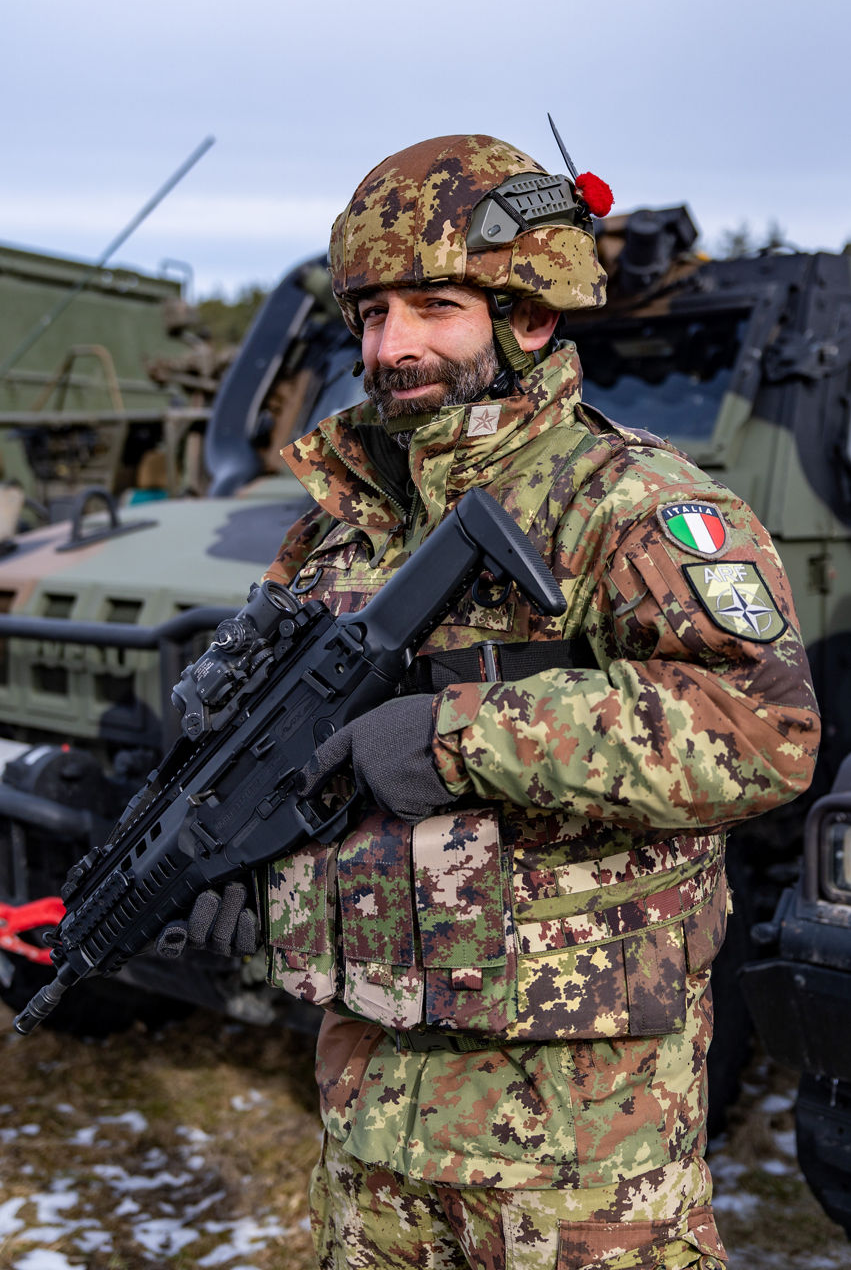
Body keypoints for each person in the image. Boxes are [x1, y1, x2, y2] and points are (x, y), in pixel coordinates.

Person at [258, 135, 821, 1267]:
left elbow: (761, 731)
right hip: (370, 1126)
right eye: (369, 312)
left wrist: (461, 734)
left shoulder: (637, 504)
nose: (391, 344)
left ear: (528, 317)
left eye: (435, 304)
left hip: (574, 1143)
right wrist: (249, 855)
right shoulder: (335, 524)